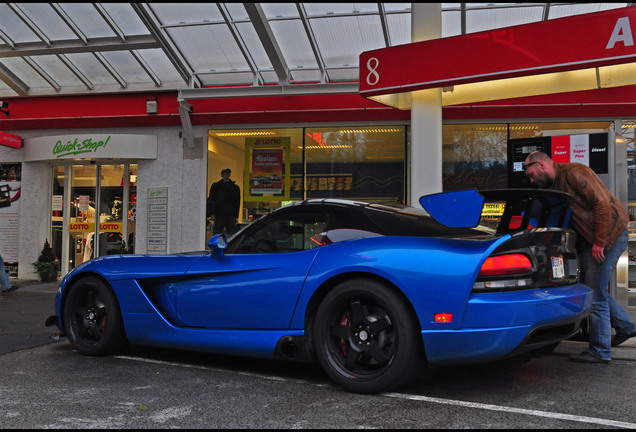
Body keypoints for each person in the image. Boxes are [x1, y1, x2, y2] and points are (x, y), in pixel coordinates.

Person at [523, 151, 636, 363]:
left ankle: (600, 351)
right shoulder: (552, 184)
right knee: (593, 287)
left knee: (594, 294)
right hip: (591, 237)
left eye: (531, 175)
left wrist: (600, 243)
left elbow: (602, 204)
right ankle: (626, 326)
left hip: (609, 234)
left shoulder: (575, 171)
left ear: (541, 166)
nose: (531, 180)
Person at [207, 168, 241, 235]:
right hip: (219, 214)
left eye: (228, 173)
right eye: (225, 173)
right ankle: (220, 245)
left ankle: (229, 245)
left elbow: (237, 202)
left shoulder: (235, 187)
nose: (227, 175)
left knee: (231, 234)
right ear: (222, 175)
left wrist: (236, 215)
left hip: (230, 214)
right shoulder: (216, 186)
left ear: (229, 175)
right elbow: (211, 199)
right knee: (219, 233)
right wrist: (212, 213)